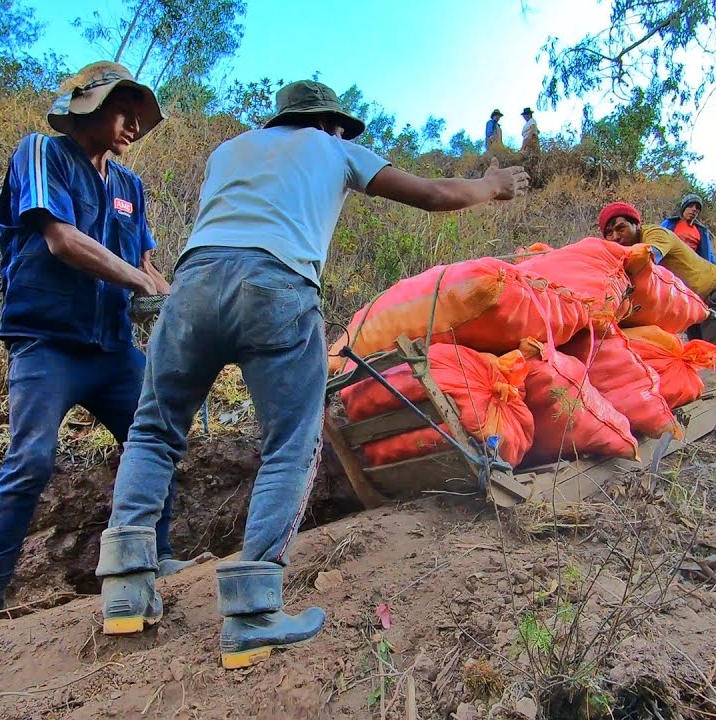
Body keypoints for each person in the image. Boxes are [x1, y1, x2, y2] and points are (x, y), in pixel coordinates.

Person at [95, 80, 530, 670]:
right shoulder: (333, 148)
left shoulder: (229, 150)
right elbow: (432, 194)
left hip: (192, 286)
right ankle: (252, 612)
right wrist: (493, 185)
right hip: (275, 285)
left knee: (153, 431)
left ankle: (125, 588)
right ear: (329, 123)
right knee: (291, 444)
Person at [0, 61, 205, 635]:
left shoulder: (130, 187)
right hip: (48, 343)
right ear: (88, 107)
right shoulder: (42, 153)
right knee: (31, 458)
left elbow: (145, 267)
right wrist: (138, 282)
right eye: (123, 112)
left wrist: (182, 303)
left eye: (139, 117)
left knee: (155, 439)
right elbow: (62, 240)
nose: (133, 126)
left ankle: (156, 554)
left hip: (112, 347)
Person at [598, 201, 716, 385]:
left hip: (710, 288)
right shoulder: (626, 250)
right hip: (689, 301)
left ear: (636, 224)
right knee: (698, 347)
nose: (615, 237)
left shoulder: (655, 234)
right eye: (609, 233)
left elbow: (649, 258)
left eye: (621, 228)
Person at [661, 193, 716, 266]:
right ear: (684, 208)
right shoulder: (669, 223)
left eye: (697, 208)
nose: (694, 209)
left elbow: (709, 255)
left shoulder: (702, 231)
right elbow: (658, 238)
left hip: (690, 267)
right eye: (690, 206)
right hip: (668, 262)